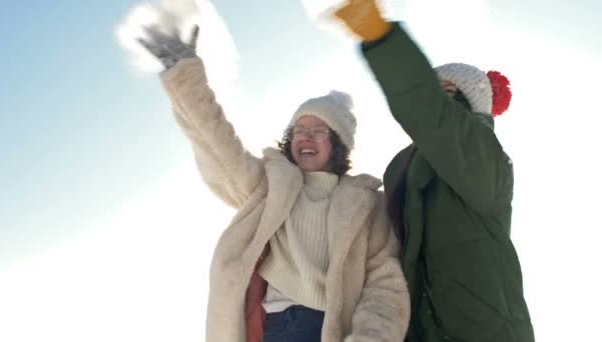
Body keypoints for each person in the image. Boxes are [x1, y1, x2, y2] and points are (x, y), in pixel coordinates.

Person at [136, 24, 410, 342]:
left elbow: (385, 283)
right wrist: (185, 75)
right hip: (276, 327)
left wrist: (371, 336)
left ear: (339, 144)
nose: (306, 136)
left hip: (331, 328)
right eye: (298, 129)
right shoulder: (272, 185)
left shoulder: (367, 204)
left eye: (320, 130)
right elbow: (218, 143)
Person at [332, 1, 535, 341]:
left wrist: (383, 40)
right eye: (433, 93)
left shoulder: (482, 157)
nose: (434, 103)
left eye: (447, 95)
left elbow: (432, 115)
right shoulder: (407, 168)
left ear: (468, 106)